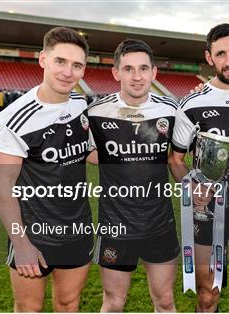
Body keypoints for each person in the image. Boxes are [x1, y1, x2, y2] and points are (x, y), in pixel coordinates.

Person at [168, 23, 229, 312]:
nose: (228, 60)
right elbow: (175, 159)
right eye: (220, 53)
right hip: (206, 208)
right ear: (209, 57)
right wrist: (191, 186)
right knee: (207, 294)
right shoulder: (191, 104)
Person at [0, 27, 92, 312]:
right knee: (28, 308)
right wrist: (21, 244)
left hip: (77, 228)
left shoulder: (79, 103)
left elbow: (88, 153)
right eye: (61, 61)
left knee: (68, 303)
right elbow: (3, 186)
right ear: (43, 60)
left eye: (77, 65)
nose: (68, 72)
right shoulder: (14, 118)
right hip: (34, 233)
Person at [87, 39, 179, 312]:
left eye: (143, 68)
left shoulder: (171, 111)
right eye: (128, 69)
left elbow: (178, 157)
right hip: (116, 225)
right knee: (113, 302)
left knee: (164, 301)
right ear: (116, 73)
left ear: (154, 72)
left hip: (159, 224)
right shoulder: (95, 113)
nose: (136, 76)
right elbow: (86, 153)